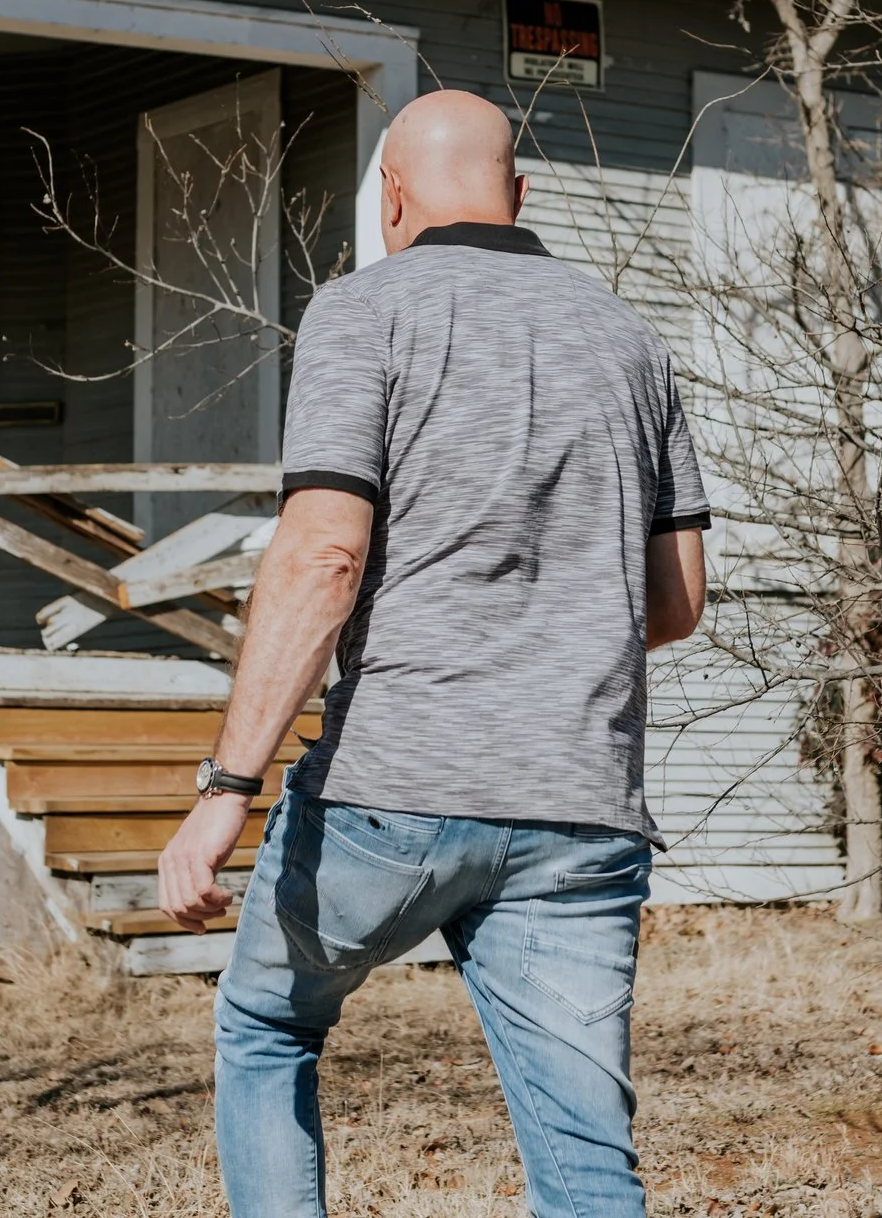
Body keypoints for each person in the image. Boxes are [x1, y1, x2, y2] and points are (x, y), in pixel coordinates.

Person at [157, 88, 710, 1218]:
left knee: (267, 1022)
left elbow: (321, 556)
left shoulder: (363, 312)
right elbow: (676, 600)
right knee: (584, 1152)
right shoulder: (631, 339)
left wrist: (225, 788)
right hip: (580, 803)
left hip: (393, 788)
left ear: (390, 197)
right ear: (521, 195)